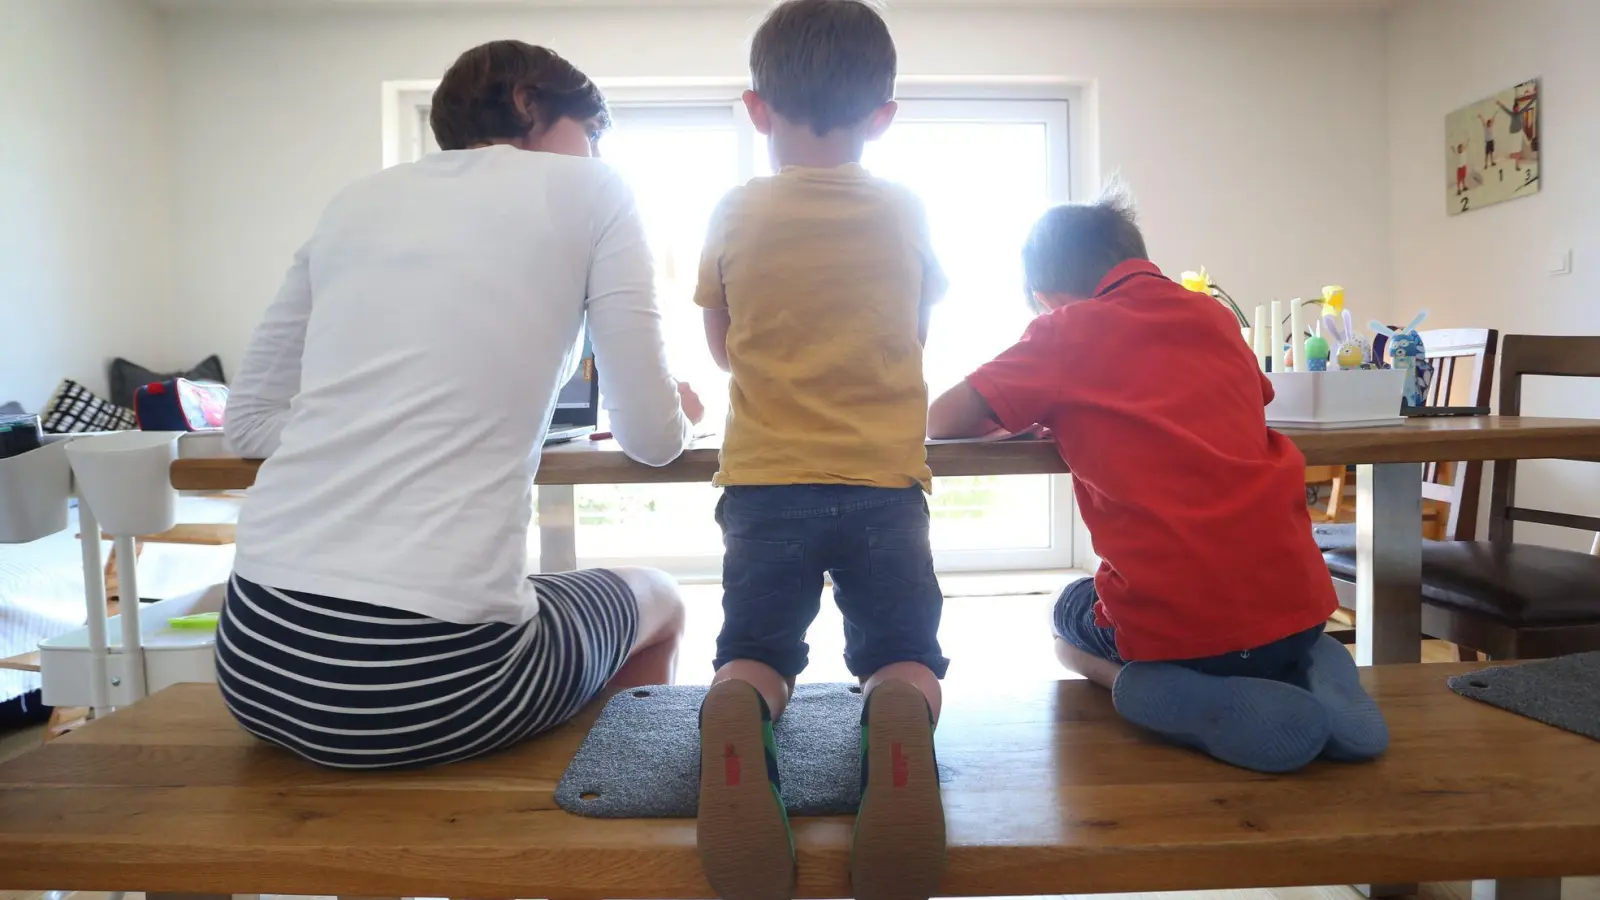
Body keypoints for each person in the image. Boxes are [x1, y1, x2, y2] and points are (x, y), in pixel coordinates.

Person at [217, 40, 704, 770]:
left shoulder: (357, 200)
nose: (595, 152)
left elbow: (248, 423)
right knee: (659, 597)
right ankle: (611, 801)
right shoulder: (597, 192)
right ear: (528, 103)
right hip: (437, 685)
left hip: (256, 658)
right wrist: (687, 409)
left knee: (536, 592)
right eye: (592, 133)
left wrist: (376, 418)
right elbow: (652, 437)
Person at [926, 188, 1388, 774]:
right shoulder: (1214, 318)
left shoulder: (1065, 330)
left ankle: (1147, 684)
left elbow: (942, 418)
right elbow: (1249, 399)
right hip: (1298, 609)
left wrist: (1040, 407)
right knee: (1262, 618)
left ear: (1046, 299)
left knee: (1067, 617)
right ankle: (1310, 665)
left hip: (1180, 630)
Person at [690, 3, 948, 899]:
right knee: (901, 650)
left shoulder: (735, 209)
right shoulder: (904, 208)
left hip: (765, 488)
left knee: (759, 647)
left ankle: (743, 700)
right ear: (884, 115)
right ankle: (901, 707)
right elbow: (912, 329)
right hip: (883, 485)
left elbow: (725, 345)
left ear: (758, 109)